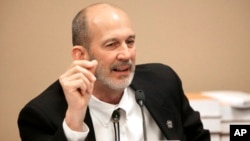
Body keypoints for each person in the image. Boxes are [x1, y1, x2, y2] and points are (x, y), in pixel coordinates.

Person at [18, 2, 210, 141]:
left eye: (130, 42)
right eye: (112, 44)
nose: (126, 54)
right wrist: (74, 122)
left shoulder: (163, 82)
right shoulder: (41, 115)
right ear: (81, 55)